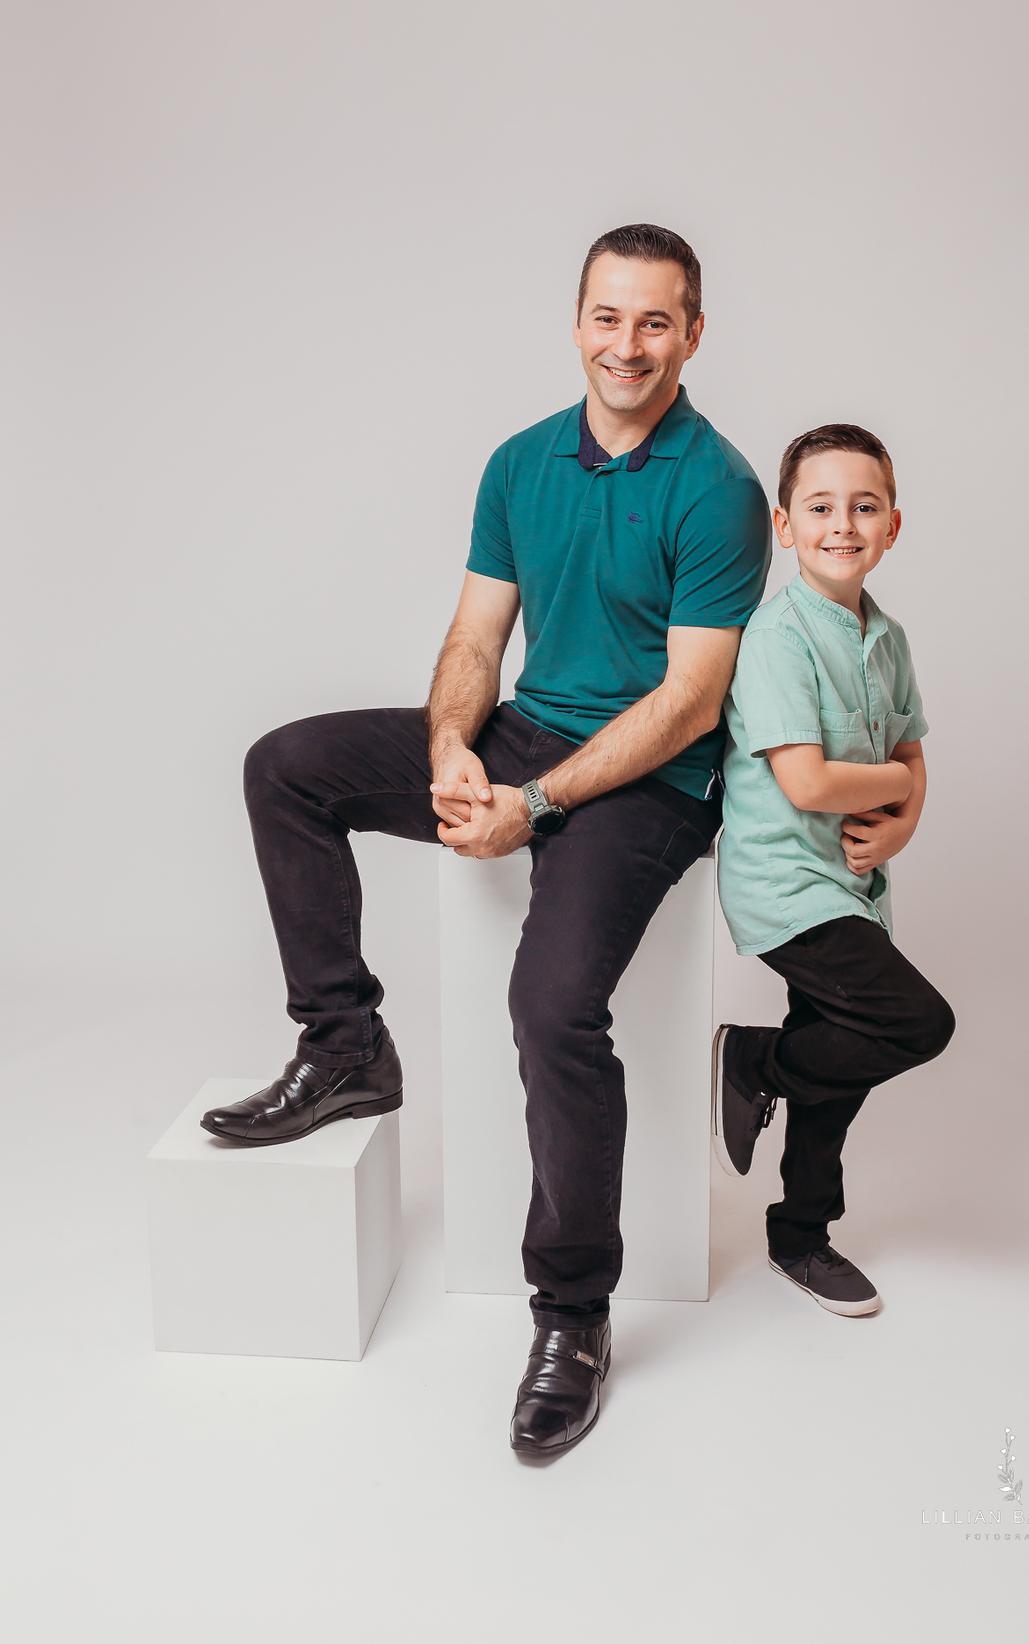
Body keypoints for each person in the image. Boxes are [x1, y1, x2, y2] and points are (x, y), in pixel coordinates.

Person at [202, 223, 773, 1454]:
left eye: (656, 321)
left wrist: (539, 806)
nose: (628, 345)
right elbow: (474, 639)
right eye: (608, 317)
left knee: (551, 1009)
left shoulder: (719, 489)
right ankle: (345, 1046)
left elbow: (691, 703)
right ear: (576, 322)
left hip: (651, 784)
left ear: (693, 334)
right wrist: (454, 748)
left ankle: (571, 1315)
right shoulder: (521, 463)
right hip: (525, 736)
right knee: (284, 768)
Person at [712, 424, 955, 1316]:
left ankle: (800, 1237)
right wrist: (897, 785)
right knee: (916, 1022)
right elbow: (808, 782)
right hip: (786, 883)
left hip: (852, 884)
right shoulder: (777, 636)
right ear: (785, 525)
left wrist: (904, 821)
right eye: (820, 507)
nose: (842, 525)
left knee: (842, 1069)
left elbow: (912, 751)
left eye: (864, 507)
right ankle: (756, 1060)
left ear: (893, 525)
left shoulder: (887, 637)